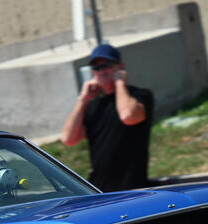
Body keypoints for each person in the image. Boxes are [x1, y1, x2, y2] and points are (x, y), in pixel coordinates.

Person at [60, 42, 154, 192]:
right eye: (96, 68)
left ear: (120, 67)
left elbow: (128, 116)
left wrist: (120, 83)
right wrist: (83, 100)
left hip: (133, 188)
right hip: (99, 190)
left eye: (107, 65)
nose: (102, 71)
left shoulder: (140, 96)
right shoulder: (92, 105)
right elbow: (68, 139)